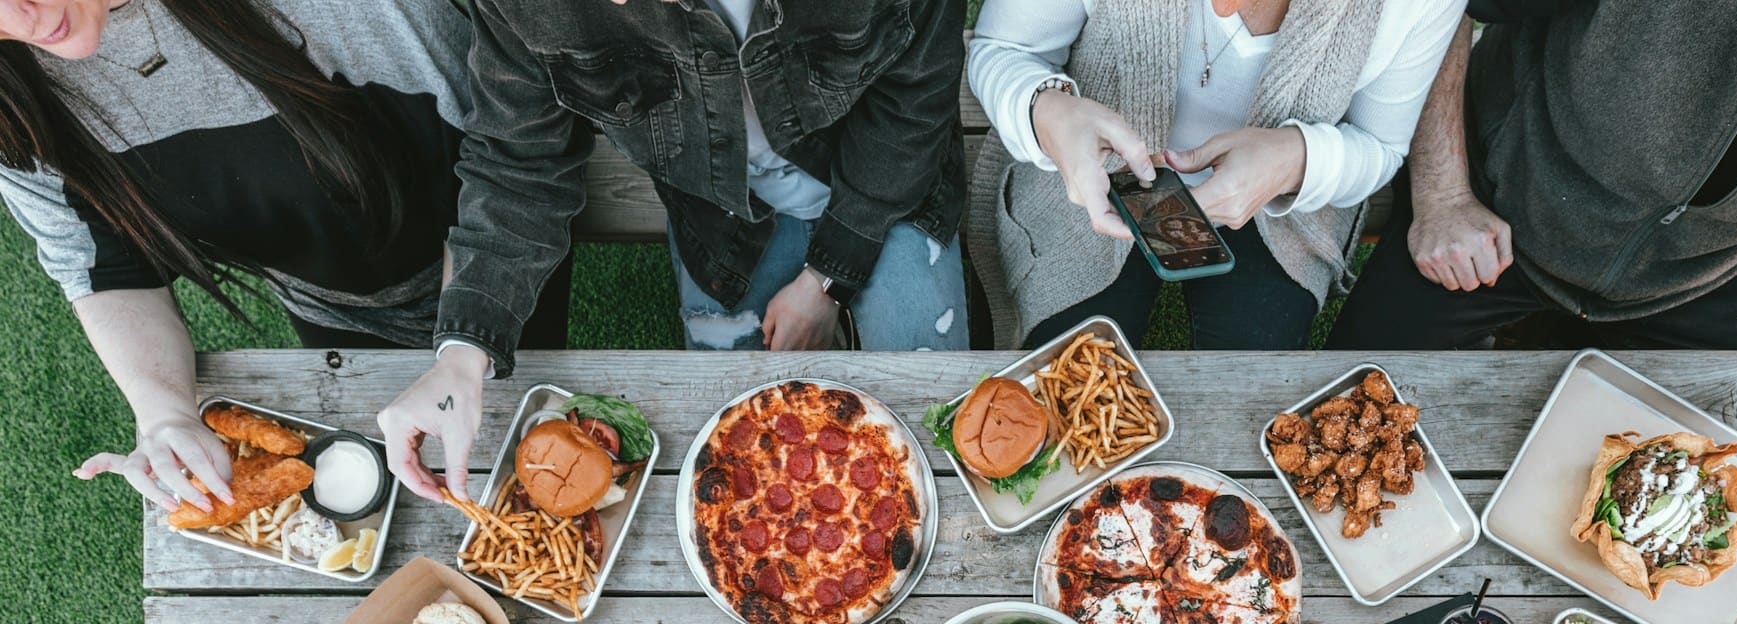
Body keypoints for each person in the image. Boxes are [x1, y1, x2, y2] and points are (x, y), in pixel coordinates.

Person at [378, 0, 971, 506]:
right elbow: (518, 164)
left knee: (941, 433)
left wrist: (827, 279)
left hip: (888, 185)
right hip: (723, 221)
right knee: (741, 470)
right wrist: (461, 356)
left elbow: (915, 97)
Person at [0, 0, 566, 515]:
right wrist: (163, 412)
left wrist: (465, 349)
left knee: (533, 466)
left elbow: (508, 158)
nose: (20, 19)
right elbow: (104, 265)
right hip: (327, 306)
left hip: (494, 264)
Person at [1329, 4, 1737, 417]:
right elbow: (1443, 5)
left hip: (1709, 268)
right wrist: (1441, 193)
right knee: (1336, 416)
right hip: (1495, 201)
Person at [966, 0, 1465, 351]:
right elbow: (1005, 50)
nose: (1223, 9)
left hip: (1282, 212)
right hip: (1089, 178)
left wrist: (1295, 159)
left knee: (1251, 386)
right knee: (1070, 384)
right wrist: (1049, 112)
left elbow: (1378, 145)